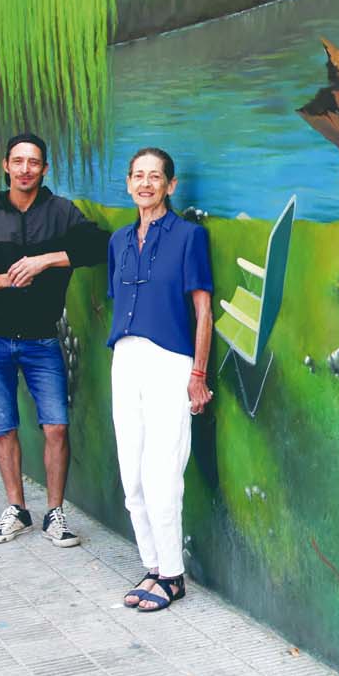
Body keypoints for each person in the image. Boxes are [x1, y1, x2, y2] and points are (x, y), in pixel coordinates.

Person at [0, 132, 108, 547]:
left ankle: (55, 514)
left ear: (44, 169)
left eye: (34, 162)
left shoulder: (61, 213)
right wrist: (5, 280)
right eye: (18, 162)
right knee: (3, 428)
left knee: (56, 426)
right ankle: (17, 510)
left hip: (42, 341)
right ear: (6, 166)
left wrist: (45, 260)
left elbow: (99, 246)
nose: (26, 169)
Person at [106, 147, 213, 612]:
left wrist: (197, 374)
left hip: (170, 361)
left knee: (161, 474)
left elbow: (203, 311)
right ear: (129, 183)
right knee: (131, 475)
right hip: (125, 359)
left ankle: (173, 575)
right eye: (138, 176)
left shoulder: (189, 236)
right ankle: (152, 567)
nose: (146, 184)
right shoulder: (118, 241)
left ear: (171, 186)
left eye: (155, 177)